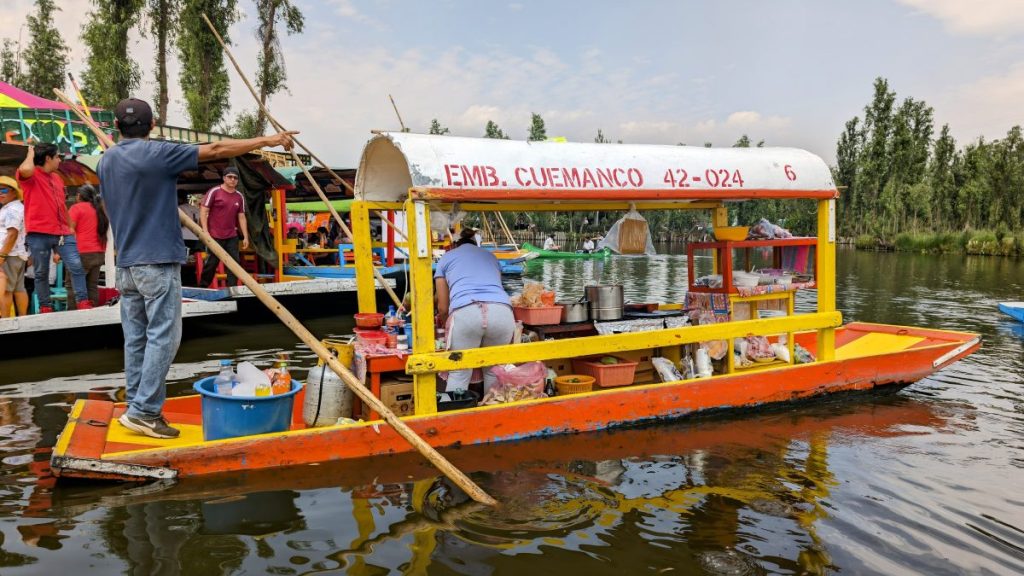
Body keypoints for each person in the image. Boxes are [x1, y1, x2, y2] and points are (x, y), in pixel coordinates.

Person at [99, 97, 296, 439]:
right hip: (156, 261)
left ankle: (137, 407)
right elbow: (217, 148)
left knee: (136, 339)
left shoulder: (106, 161)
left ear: (117, 127)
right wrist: (267, 140)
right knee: (164, 336)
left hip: (127, 265)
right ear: (153, 125)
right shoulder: (158, 153)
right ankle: (145, 411)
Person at [434, 228, 515, 393]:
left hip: (466, 312)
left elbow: (442, 306)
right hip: (502, 313)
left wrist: (445, 325)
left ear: (455, 245)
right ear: (475, 244)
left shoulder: (446, 258)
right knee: (494, 371)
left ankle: (455, 416)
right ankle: (493, 415)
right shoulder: (490, 257)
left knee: (459, 372)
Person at [17, 143, 92, 312]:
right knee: (41, 272)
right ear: (47, 158)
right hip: (38, 233)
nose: (59, 160)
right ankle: (45, 306)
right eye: (57, 156)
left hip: (63, 232)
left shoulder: (57, 178)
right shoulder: (31, 175)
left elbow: (61, 204)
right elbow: (24, 170)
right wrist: (30, 153)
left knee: (76, 266)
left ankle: (83, 302)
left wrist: (70, 225)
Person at [199, 167, 248, 288]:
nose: (232, 180)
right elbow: (204, 211)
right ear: (224, 178)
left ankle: (232, 288)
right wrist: (205, 231)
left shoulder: (239, 196)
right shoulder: (215, 191)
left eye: (235, 178)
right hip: (214, 234)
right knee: (211, 263)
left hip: (232, 235)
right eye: (230, 177)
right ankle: (203, 286)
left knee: (234, 263)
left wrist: (246, 236)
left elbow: (241, 217)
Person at [64, 185, 107, 308]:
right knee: (91, 286)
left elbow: (69, 230)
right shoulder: (99, 209)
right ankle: (93, 317)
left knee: (73, 286)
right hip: (99, 253)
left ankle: (73, 318)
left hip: (81, 253)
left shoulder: (76, 208)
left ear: (79, 196)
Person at [0, 177, 30, 317]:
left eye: (3, 190)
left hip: (9, 255)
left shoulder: (12, 209)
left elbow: (12, 234)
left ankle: (5, 322)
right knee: (19, 289)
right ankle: (22, 319)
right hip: (16, 254)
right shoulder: (16, 207)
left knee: (5, 290)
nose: (0, 193)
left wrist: (2, 255)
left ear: (14, 192)